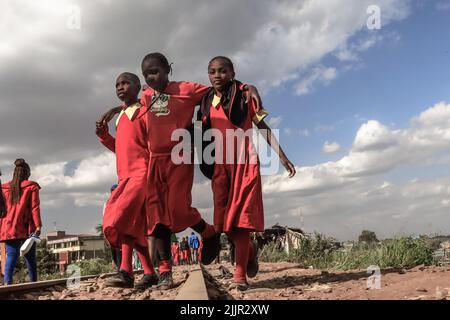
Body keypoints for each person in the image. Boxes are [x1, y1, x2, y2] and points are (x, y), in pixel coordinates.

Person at [98, 52, 263, 289]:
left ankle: (208, 233)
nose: (151, 78)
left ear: (168, 70)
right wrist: (116, 109)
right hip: (155, 161)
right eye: (147, 74)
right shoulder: (146, 96)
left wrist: (247, 86)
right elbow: (132, 104)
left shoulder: (186, 89)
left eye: (155, 72)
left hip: (179, 156)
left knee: (177, 209)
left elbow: (216, 89)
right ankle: (164, 272)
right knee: (157, 218)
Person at [198, 56, 296, 290]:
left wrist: (282, 156)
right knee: (225, 226)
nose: (217, 75)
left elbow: (263, 127)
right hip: (220, 168)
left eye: (223, 71)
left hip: (244, 165)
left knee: (241, 224)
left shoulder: (244, 96)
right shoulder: (206, 100)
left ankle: (239, 276)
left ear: (232, 73)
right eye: (212, 71)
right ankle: (250, 250)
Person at [96, 72, 157, 290]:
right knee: (134, 226)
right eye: (117, 85)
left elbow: (152, 145)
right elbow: (121, 148)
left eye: (125, 83)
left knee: (119, 217)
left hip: (142, 174)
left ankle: (125, 272)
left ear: (138, 87)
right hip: (125, 176)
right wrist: (104, 135)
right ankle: (150, 273)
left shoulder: (144, 111)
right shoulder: (121, 117)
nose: (121, 87)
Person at [0, 159, 42, 285]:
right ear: (27, 172)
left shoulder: (5, 189)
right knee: (30, 257)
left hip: (9, 227)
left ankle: (7, 282)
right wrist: (38, 225)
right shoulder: (31, 187)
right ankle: (33, 283)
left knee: (11, 255)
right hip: (26, 226)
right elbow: (35, 207)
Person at [103, 184, 121, 271]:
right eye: (112, 190)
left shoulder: (122, 199)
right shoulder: (107, 202)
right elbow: (104, 216)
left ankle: (121, 267)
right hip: (111, 227)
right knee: (113, 248)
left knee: (120, 248)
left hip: (119, 227)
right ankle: (117, 266)